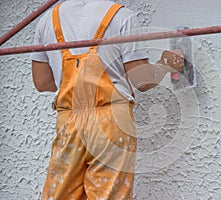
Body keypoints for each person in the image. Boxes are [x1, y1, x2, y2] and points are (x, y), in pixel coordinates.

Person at [30, 0, 184, 199]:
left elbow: (42, 82)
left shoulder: (47, 21)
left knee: (61, 194)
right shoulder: (122, 17)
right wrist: (165, 64)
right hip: (110, 121)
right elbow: (142, 81)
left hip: (69, 120)